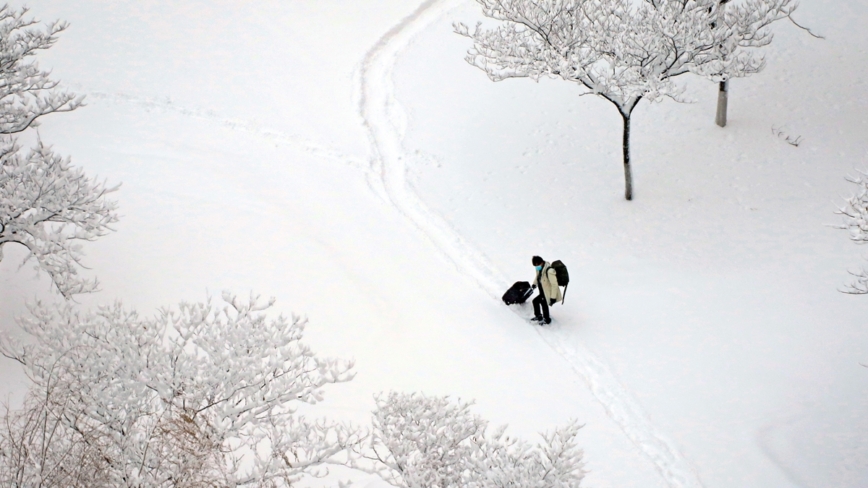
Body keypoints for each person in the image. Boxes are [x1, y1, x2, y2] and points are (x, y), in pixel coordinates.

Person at [530, 255, 562, 324]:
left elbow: (554, 285)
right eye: (535, 265)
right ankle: (539, 316)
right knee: (536, 301)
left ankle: (547, 319)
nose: (536, 267)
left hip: (548, 292)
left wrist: (553, 297)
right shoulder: (539, 268)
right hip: (542, 291)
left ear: (541, 262)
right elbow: (538, 276)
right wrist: (534, 284)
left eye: (537, 265)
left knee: (543, 303)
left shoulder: (549, 271)